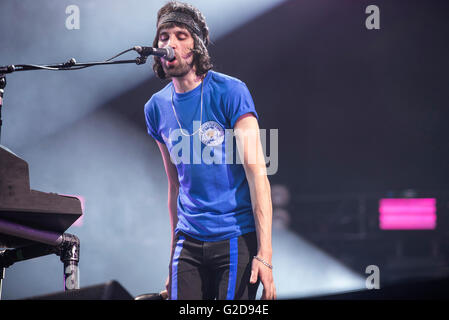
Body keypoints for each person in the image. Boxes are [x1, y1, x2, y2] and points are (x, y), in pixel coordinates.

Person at [144, 1, 276, 300]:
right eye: (163, 37)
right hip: (188, 240)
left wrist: (265, 253)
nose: (170, 44)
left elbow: (257, 175)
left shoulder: (230, 92)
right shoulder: (156, 108)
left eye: (180, 35)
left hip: (235, 237)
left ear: (198, 44)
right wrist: (172, 261)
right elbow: (175, 186)